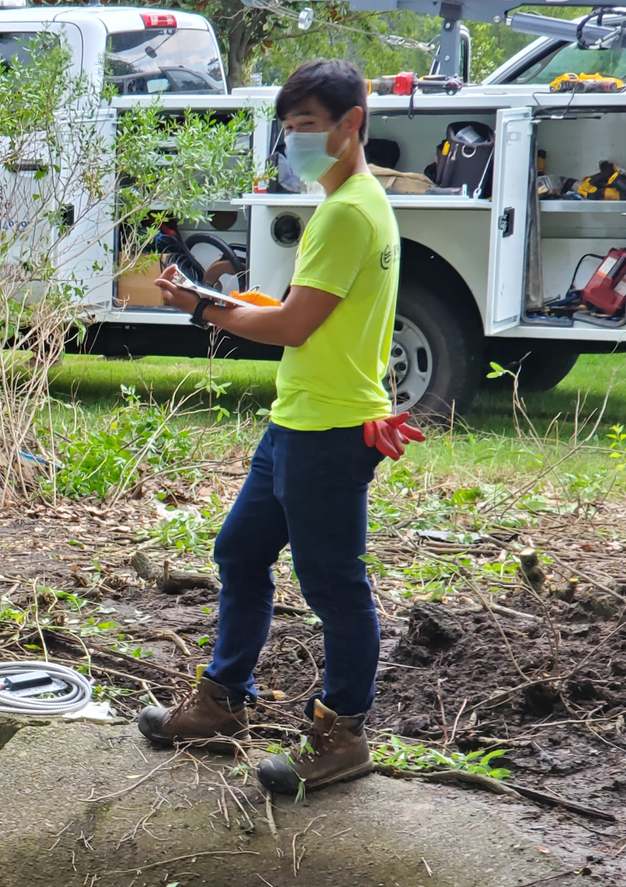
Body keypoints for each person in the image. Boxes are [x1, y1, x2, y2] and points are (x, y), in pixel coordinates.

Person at [137, 59, 423, 797]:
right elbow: (310, 311)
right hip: (298, 418)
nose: (294, 142)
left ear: (352, 124)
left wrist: (200, 310)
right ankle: (222, 703)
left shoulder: (347, 212)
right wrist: (216, 298)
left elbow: (294, 323)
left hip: (327, 431)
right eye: (288, 128)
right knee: (239, 550)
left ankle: (342, 734)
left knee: (333, 584)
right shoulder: (359, 203)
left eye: (307, 128)